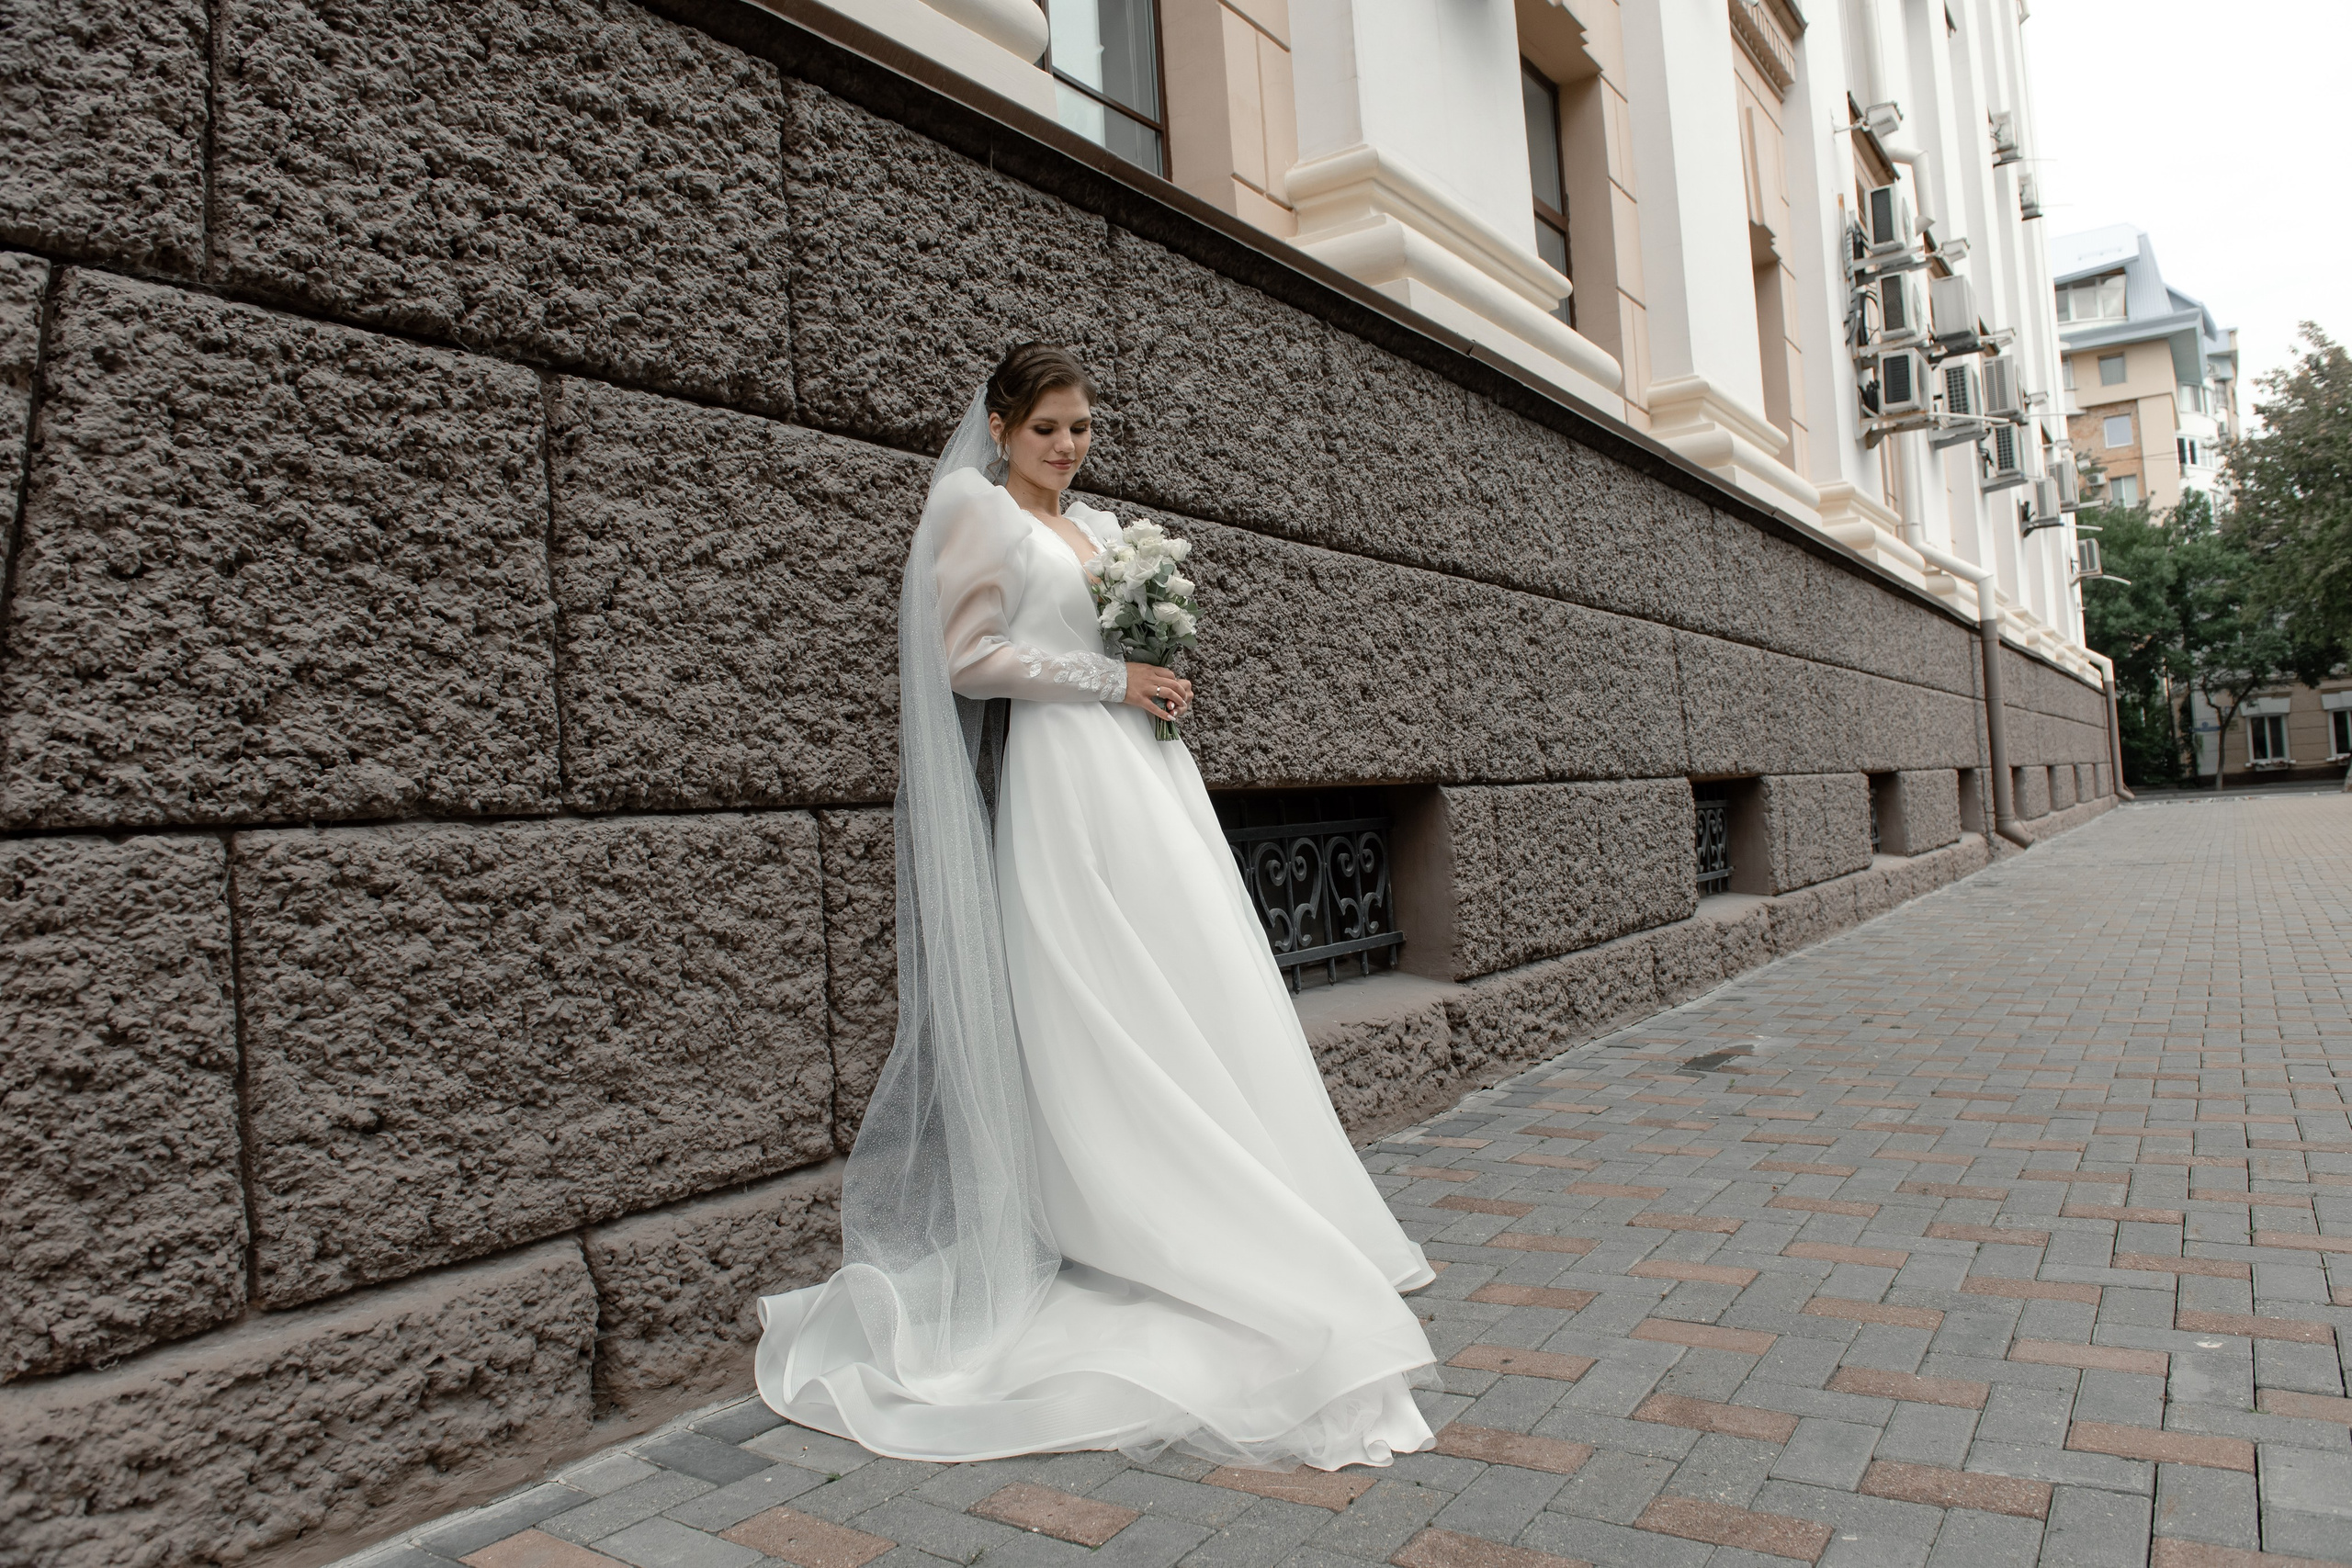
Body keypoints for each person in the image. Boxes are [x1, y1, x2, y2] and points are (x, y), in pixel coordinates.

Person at [752, 344, 1438, 1470]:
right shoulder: (976, 513)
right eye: (1047, 430)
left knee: (1191, 967)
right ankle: (1129, 1211)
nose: (1067, 447)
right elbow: (970, 660)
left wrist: (1153, 667)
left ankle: (1263, 1188)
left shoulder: (1106, 532)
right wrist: (1112, 680)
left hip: (1144, 773)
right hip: (1066, 778)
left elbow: (1108, 634)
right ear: (1001, 427)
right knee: (1100, 979)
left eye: (1081, 428)